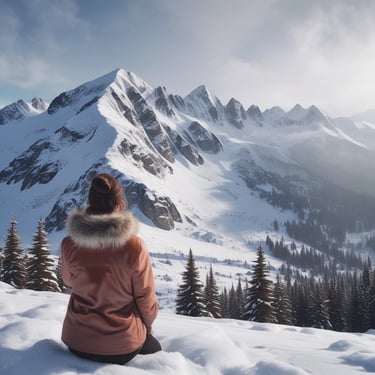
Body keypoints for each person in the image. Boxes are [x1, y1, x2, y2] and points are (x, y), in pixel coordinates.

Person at [61, 173, 161, 365]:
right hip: (122, 345)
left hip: (76, 341)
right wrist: (147, 327)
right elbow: (145, 297)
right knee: (156, 351)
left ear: (91, 200)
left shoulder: (69, 244)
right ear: (118, 203)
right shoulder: (134, 247)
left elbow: (69, 281)